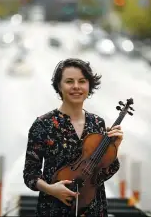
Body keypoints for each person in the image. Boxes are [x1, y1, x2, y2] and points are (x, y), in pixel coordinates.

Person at [23, 58, 123, 217]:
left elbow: (101, 175)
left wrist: (114, 148)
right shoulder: (43, 125)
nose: (76, 86)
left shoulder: (97, 123)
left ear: (89, 86)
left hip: (93, 208)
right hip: (53, 208)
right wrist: (51, 189)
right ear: (59, 86)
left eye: (82, 81)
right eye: (69, 81)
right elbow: (30, 174)